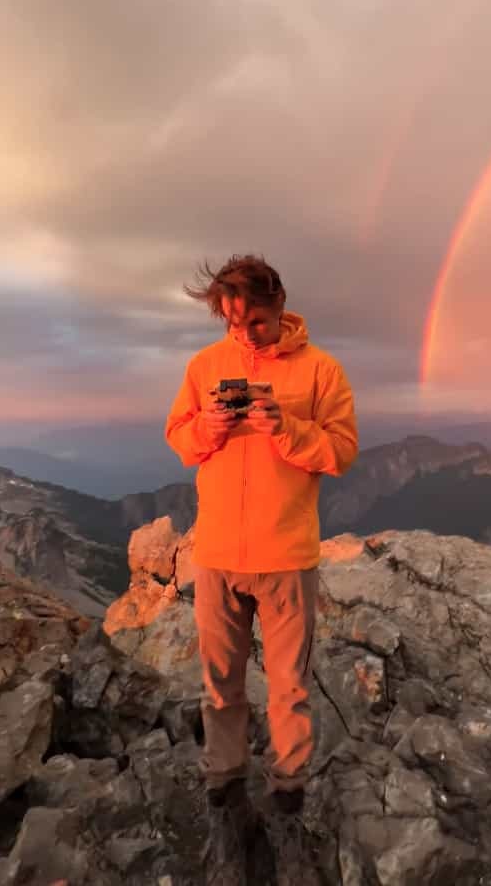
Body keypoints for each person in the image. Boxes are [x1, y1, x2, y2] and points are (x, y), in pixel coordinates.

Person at [165, 254, 358, 885]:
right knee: (219, 681)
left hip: (286, 558)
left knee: (289, 689)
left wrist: (287, 428)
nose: (245, 334)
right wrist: (209, 427)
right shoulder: (204, 367)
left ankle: (288, 798)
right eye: (232, 321)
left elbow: (342, 453)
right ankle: (224, 790)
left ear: (280, 305)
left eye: (258, 321)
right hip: (217, 555)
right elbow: (178, 438)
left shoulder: (321, 369)